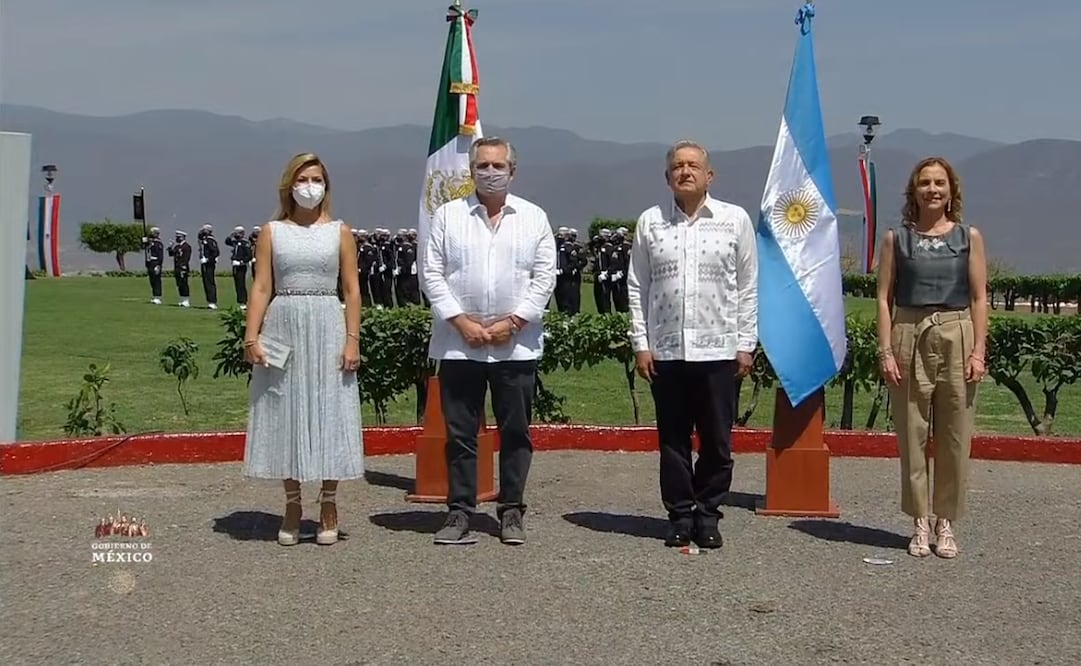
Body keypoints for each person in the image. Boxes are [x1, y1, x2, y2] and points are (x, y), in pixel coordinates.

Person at [421, 136, 557, 546]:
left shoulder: (533, 217)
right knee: (460, 434)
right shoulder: (448, 216)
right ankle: (460, 511)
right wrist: (461, 322)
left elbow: (544, 278)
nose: (490, 173)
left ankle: (511, 510)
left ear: (512, 171)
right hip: (459, 344)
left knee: (515, 431)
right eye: (483, 166)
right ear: (472, 171)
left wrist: (513, 322)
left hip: (516, 345)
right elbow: (432, 273)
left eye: (498, 166)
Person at [626, 139, 758, 549]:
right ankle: (680, 515)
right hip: (666, 351)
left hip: (719, 351)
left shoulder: (734, 220)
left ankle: (708, 514)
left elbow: (749, 286)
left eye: (693, 166)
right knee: (673, 441)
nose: (685, 171)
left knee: (717, 442)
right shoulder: (651, 222)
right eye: (677, 166)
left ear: (709, 175)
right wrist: (641, 343)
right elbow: (637, 286)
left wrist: (746, 343)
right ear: (667, 177)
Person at [242, 152, 364, 547]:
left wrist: (352, 339)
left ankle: (328, 503)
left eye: (316, 179)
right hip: (284, 324)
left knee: (330, 407)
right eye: (302, 179)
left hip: (327, 321)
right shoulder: (272, 232)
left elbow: (352, 289)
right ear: (289, 185)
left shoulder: (340, 232)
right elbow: (262, 286)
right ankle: (292, 505)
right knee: (286, 408)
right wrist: (251, 336)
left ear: (326, 186)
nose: (309, 186)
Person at [875, 156, 988, 560]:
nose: (932, 189)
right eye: (925, 182)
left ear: (951, 190)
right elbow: (884, 298)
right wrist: (886, 351)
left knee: (956, 434)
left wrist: (979, 350)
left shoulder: (968, 237)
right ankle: (919, 520)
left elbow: (979, 297)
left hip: (957, 331)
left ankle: (946, 521)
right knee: (913, 432)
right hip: (910, 330)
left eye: (940, 182)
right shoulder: (896, 239)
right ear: (914, 191)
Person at [224, 226, 252, 309]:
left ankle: (244, 301)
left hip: (241, 265)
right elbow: (227, 241)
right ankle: (240, 301)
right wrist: (231, 235)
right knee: (237, 284)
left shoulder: (245, 243)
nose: (237, 234)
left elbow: (249, 255)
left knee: (241, 284)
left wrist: (241, 261)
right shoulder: (235, 242)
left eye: (238, 233)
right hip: (235, 265)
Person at [167, 230, 192, 307]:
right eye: (177, 237)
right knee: (179, 284)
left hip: (183, 268)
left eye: (179, 237)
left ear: (183, 237)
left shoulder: (186, 246)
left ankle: (186, 300)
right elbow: (171, 254)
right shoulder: (177, 247)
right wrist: (170, 247)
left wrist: (183, 266)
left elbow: (187, 257)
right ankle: (181, 298)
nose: (177, 238)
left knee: (184, 283)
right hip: (177, 267)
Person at [197, 224, 220, 309]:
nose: (203, 231)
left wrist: (208, 259)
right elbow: (199, 237)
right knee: (206, 282)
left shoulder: (210, 240)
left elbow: (216, 252)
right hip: (204, 263)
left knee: (210, 281)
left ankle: (212, 301)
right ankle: (209, 301)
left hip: (209, 264)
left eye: (205, 230)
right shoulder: (204, 239)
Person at [141, 227, 164, 305]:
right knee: (152, 280)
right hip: (150, 263)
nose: (151, 234)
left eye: (153, 232)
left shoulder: (158, 243)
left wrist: (158, 265)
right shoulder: (151, 242)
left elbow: (160, 256)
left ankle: (158, 297)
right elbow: (145, 247)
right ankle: (155, 296)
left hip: (155, 263)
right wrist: (144, 241)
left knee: (156, 280)